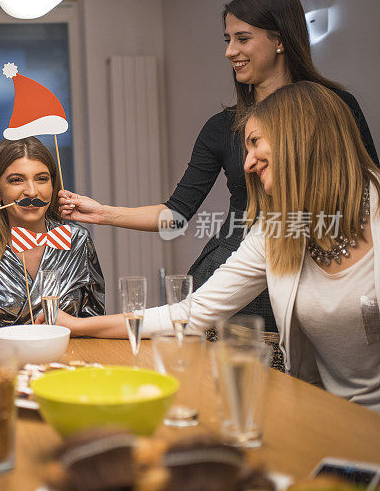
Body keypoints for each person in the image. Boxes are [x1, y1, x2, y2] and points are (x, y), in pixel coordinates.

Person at [58, 0, 378, 339]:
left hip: (327, 259)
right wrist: (102, 213)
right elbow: (177, 215)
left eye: (242, 38)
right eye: (227, 39)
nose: (230, 51)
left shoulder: (335, 108)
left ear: (280, 40)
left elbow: (364, 190)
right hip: (242, 264)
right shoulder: (221, 128)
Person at [44, 82, 380, 412]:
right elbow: (189, 313)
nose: (247, 164)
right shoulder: (275, 231)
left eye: (254, 143)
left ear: (299, 136)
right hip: (332, 418)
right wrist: (78, 326)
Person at [0, 137, 105, 341]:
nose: (32, 191)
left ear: (53, 185)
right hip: (4, 368)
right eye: (17, 180)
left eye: (42, 178)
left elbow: (97, 321)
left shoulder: (77, 239)